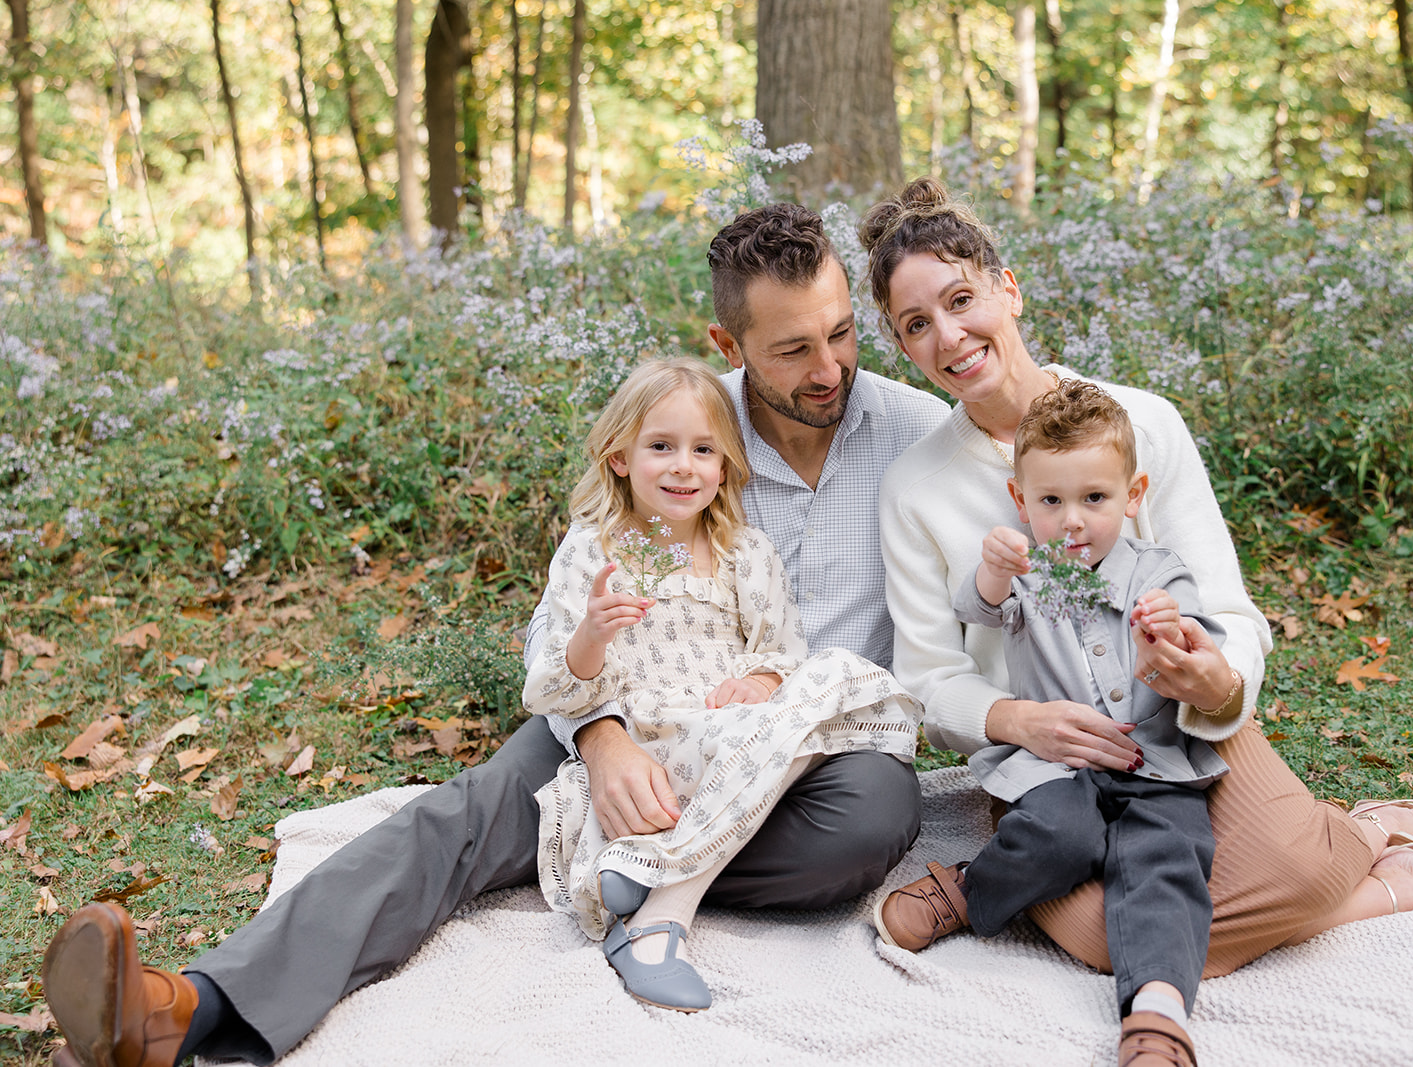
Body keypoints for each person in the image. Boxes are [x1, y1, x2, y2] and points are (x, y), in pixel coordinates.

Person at [40, 203, 948, 1066]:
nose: (829, 366)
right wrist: (599, 738)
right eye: (792, 348)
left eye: (841, 333)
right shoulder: (683, 428)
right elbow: (561, 612)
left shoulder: (918, 434)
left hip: (808, 757)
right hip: (633, 717)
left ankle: (603, 863)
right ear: (728, 346)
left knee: (877, 817)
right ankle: (186, 1009)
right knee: (459, 818)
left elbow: (1049, 457)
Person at [864, 176, 1413, 1057]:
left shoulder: (1145, 427)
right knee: (1099, 934)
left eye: (961, 299)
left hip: (1176, 731)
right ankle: (1398, 859)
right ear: (902, 347)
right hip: (1049, 765)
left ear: (1008, 288)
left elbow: (1229, 609)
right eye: (915, 325)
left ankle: (1377, 834)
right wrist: (1021, 719)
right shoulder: (918, 485)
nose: (949, 337)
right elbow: (927, 676)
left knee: (1290, 869)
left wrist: (1213, 677)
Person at [525, 358, 918, 1011]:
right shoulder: (593, 548)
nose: (684, 465)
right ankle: (659, 915)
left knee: (834, 678)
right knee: (833, 696)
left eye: (704, 449)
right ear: (620, 458)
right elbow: (559, 687)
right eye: (661, 446)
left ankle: (644, 866)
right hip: (652, 742)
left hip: (731, 736)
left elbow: (783, 648)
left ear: (726, 465)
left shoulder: (744, 549)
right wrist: (592, 634)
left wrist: (761, 678)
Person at [875, 379, 1236, 1066]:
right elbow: (974, 611)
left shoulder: (1157, 572)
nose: (1072, 520)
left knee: (1167, 860)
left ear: (1132, 496)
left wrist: (1174, 632)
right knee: (1059, 835)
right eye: (1051, 500)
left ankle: (1156, 1014)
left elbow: (1200, 641)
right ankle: (969, 887)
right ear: (1022, 501)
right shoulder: (1028, 576)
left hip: (1152, 761)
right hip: (1056, 765)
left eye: (1094, 499)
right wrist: (992, 571)